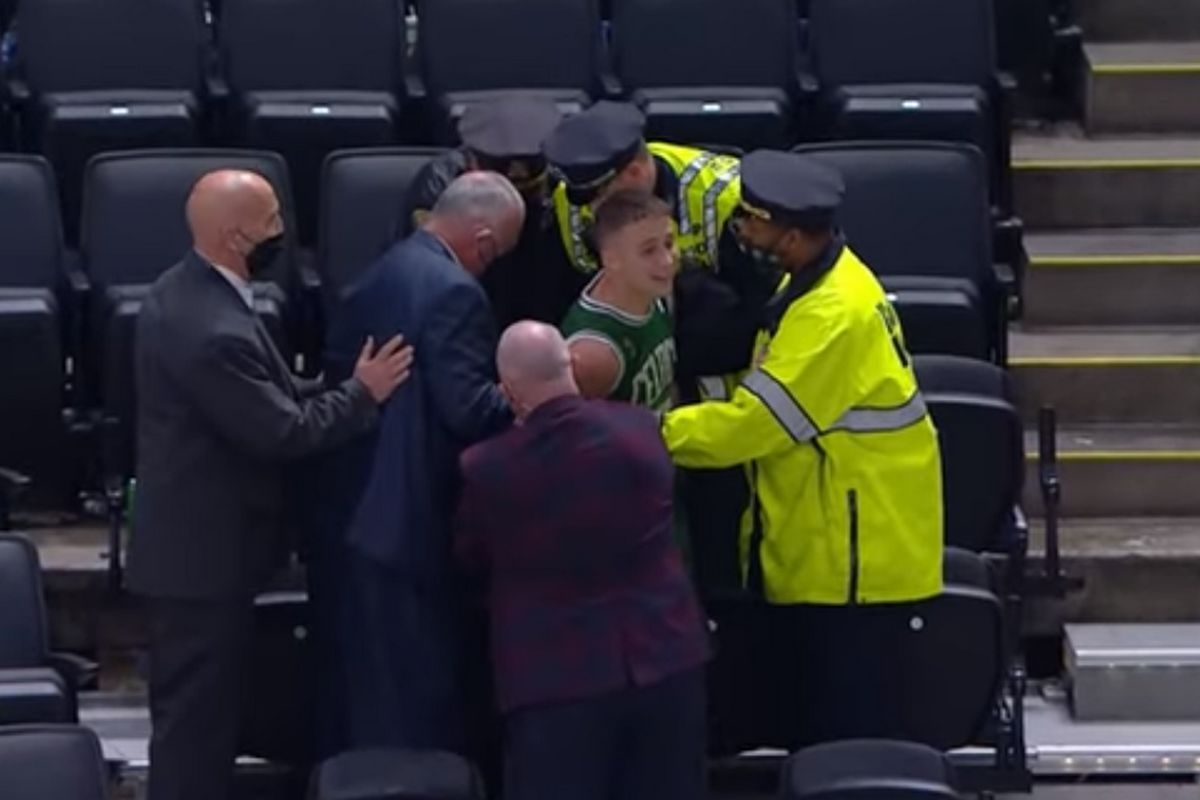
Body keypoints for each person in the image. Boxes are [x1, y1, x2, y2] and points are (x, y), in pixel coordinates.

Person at [128, 169, 413, 800]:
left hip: (194, 549)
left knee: (202, 718)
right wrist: (362, 394)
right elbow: (283, 431)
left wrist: (334, 384)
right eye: (272, 221)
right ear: (235, 237)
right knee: (195, 730)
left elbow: (265, 394)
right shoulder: (212, 330)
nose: (283, 232)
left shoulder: (185, 289)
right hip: (199, 563)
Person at [660, 150, 944, 745]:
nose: (741, 231)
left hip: (854, 561)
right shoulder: (812, 280)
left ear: (790, 238)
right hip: (829, 539)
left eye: (752, 223)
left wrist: (646, 433)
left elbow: (754, 426)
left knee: (846, 738)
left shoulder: (831, 315)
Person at [310, 172, 523, 758]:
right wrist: (529, 394)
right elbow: (469, 408)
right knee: (412, 701)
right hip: (407, 521)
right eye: (496, 256)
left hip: (355, 509)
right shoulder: (456, 292)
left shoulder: (382, 271)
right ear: (483, 240)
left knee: (367, 696)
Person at [455, 321, 710, 800]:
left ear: (508, 392)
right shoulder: (641, 430)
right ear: (570, 364)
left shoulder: (488, 468)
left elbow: (472, 554)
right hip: (665, 659)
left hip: (556, 680)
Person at [399, 94, 564, 327]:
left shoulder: (560, 183)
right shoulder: (439, 185)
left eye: (529, 191)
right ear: (473, 162)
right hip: (463, 303)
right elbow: (428, 270)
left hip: (537, 301)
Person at [561, 190, 677, 413]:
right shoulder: (594, 355)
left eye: (669, 243)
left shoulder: (653, 292)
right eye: (648, 251)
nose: (667, 260)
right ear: (611, 259)